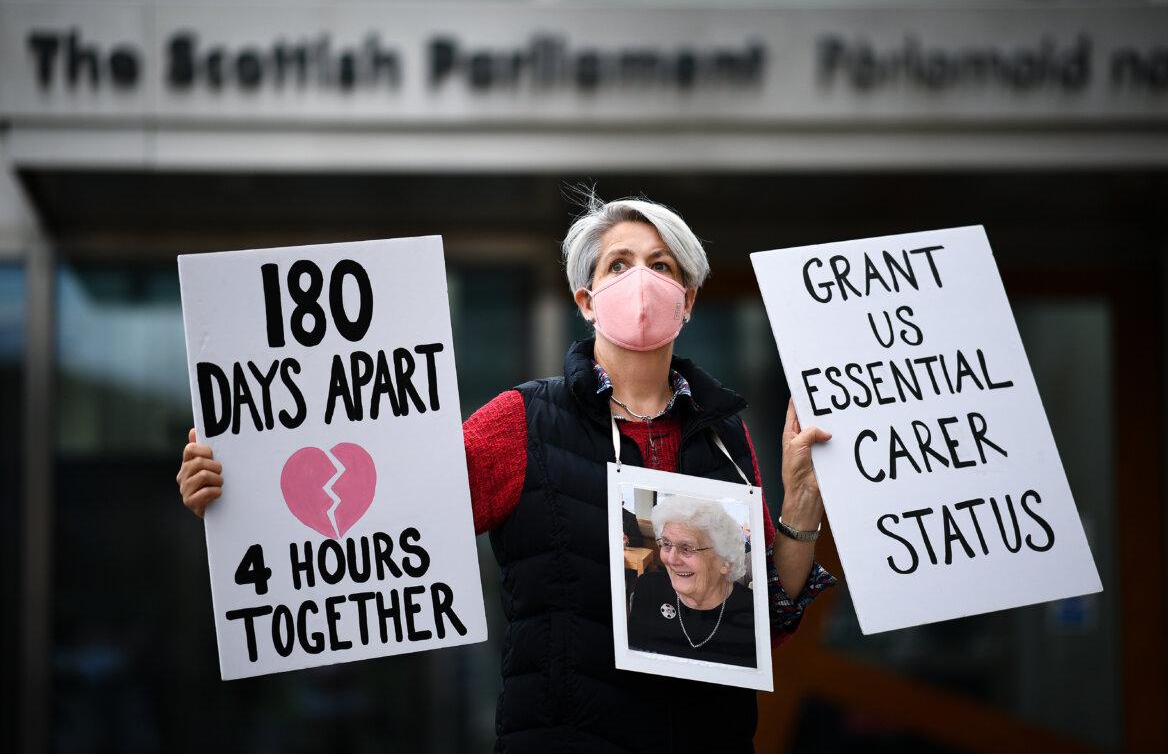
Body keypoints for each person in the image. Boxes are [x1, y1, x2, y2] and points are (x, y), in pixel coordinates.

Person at [176, 193, 837, 753]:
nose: (642, 281)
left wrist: (801, 499)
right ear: (585, 297)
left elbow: (765, 624)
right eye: (620, 264)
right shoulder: (522, 421)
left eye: (661, 265)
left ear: (688, 299)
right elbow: (385, 522)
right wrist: (240, 489)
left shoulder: (723, 438)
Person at [627, 495, 757, 668]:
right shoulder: (648, 588)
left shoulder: (752, 612)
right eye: (666, 544)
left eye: (687, 548)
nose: (671, 559)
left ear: (726, 561)